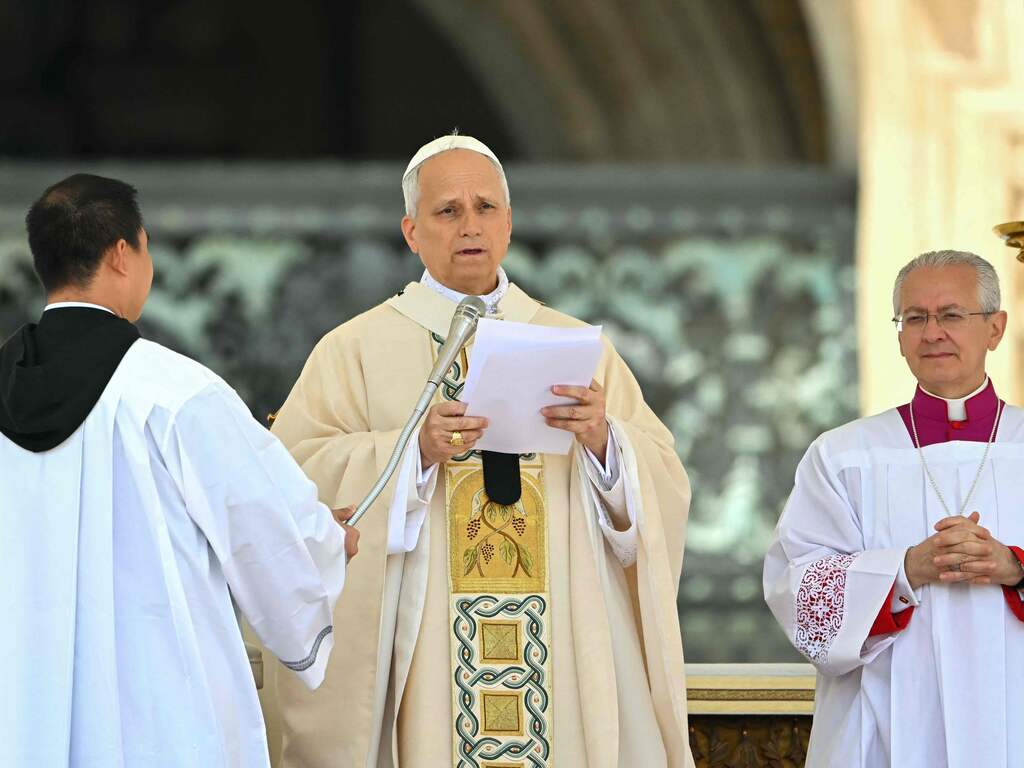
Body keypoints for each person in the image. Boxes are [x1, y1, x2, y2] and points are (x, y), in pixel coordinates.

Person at [268, 134, 694, 768]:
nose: (470, 225)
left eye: (486, 207)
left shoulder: (575, 344)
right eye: (448, 211)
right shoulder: (354, 349)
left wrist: (606, 442)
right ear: (411, 232)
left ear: (510, 223)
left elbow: (663, 480)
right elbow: (292, 481)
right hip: (431, 654)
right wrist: (412, 452)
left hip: (560, 646)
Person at [0, 173, 359, 768]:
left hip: (19, 704)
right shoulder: (174, 393)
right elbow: (260, 523)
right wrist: (323, 539)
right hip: (158, 709)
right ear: (123, 254)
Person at [764, 250, 1024, 767]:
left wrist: (1014, 568)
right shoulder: (843, 455)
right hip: (883, 727)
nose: (932, 333)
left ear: (995, 328)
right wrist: (904, 571)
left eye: (951, 315)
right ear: (900, 335)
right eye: (914, 318)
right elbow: (796, 589)